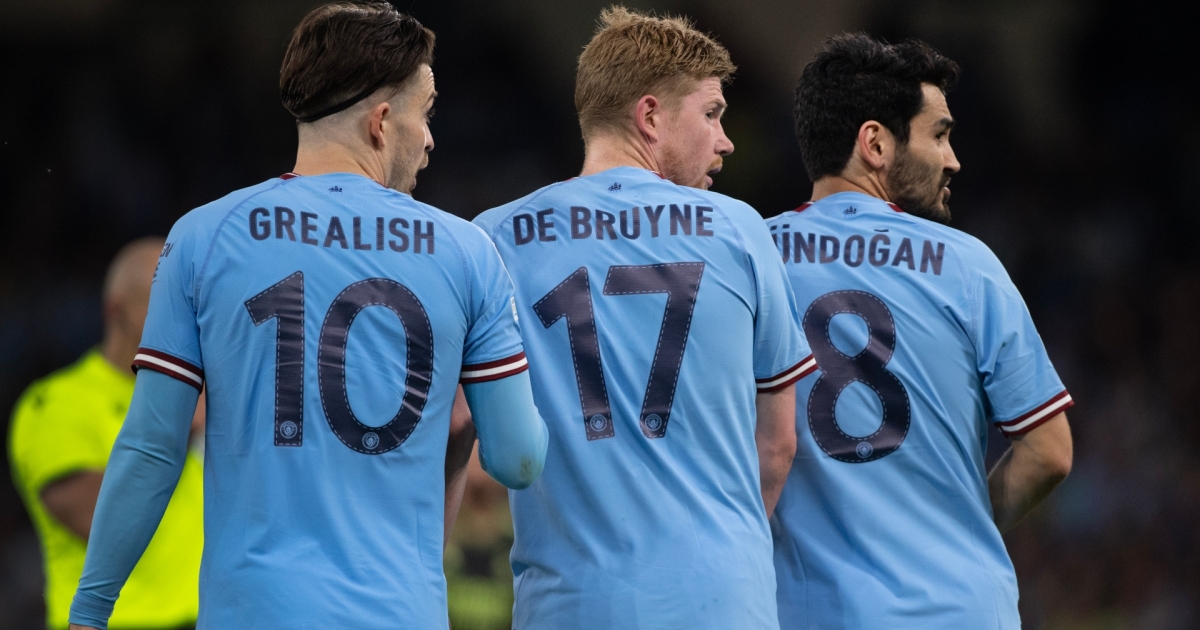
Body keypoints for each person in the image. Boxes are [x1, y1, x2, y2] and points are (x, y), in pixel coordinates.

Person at [68, 3, 547, 629]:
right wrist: (463, 439)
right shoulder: (468, 253)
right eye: (425, 113)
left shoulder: (202, 238)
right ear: (381, 122)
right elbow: (517, 459)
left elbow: (152, 450)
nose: (430, 137)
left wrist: (90, 611)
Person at [473, 8, 812, 629]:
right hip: (720, 600)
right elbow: (778, 444)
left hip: (570, 605)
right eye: (711, 114)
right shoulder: (740, 229)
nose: (726, 140)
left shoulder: (494, 237)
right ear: (650, 116)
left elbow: (468, 430)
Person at [767, 34, 1074, 628]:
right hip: (961, 609)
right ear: (876, 143)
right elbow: (1050, 453)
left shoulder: (749, 255)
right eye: (939, 135)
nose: (953, 159)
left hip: (814, 612)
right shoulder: (968, 265)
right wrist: (959, 528)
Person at [9, 237, 204, 630]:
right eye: (166, 304)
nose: (185, 321)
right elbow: (96, 521)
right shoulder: (55, 404)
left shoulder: (201, 395)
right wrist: (177, 421)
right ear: (117, 311)